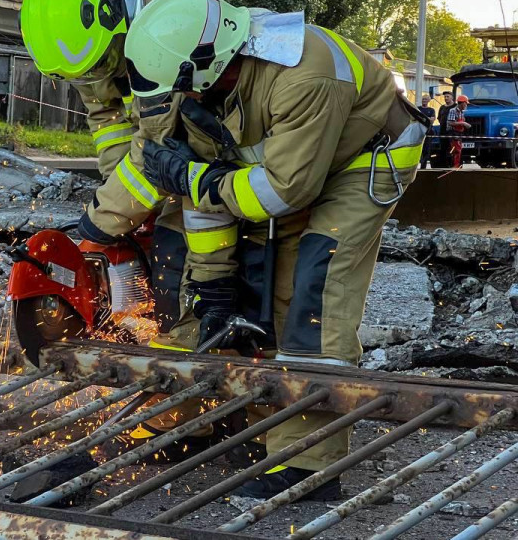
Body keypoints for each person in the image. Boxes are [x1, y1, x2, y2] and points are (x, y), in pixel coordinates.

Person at [122, 0, 429, 499]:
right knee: (255, 286)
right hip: (299, 167)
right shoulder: (208, 81)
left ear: (208, 63)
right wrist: (215, 283)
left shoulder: (305, 74)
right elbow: (209, 191)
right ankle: (240, 424)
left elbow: (283, 191)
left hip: (362, 162)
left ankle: (308, 465)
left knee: (315, 288)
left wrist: (198, 179)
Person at [20, 0, 230, 450]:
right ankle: (196, 399)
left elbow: (157, 145)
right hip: (167, 158)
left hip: (213, 157)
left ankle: (185, 415)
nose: (92, 79)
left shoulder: (166, 31)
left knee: (188, 279)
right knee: (164, 262)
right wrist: (126, 208)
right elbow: (109, 123)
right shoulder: (83, 51)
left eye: (98, 67)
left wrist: (104, 220)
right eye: (79, 75)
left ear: (119, 26)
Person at [447, 95, 471, 168]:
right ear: (462, 103)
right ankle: (454, 166)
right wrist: (463, 123)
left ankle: (458, 165)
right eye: (466, 103)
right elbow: (450, 123)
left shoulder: (461, 112)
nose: (466, 105)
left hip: (459, 133)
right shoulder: (453, 111)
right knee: (455, 150)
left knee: (459, 149)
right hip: (453, 132)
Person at [436, 91, 455, 167]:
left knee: (452, 148)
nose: (446, 98)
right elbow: (439, 118)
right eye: (445, 97)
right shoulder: (442, 107)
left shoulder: (455, 107)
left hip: (452, 132)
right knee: (443, 148)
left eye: (448, 96)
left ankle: (452, 164)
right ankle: (444, 165)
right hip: (442, 132)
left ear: (452, 97)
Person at [418, 94, 436, 168]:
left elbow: (432, 120)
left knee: (426, 150)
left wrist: (422, 118)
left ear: (428, 101)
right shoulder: (418, 109)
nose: (424, 100)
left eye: (426, 99)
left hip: (428, 132)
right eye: (423, 99)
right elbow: (415, 118)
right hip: (418, 131)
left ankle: (423, 166)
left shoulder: (431, 110)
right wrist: (427, 118)